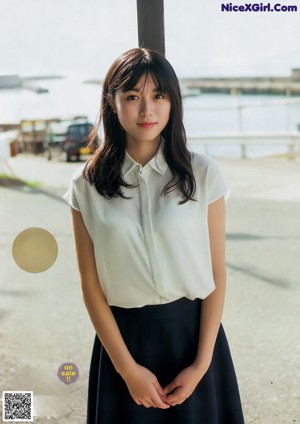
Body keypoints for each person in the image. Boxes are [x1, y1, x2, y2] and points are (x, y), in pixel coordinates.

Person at [63, 47, 244, 424]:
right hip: (125, 346)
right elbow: (90, 286)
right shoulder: (86, 186)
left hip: (194, 342)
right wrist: (128, 370)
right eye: (132, 97)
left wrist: (201, 364)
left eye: (158, 96)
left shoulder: (202, 173)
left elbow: (216, 273)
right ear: (112, 103)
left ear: (172, 101)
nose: (147, 110)